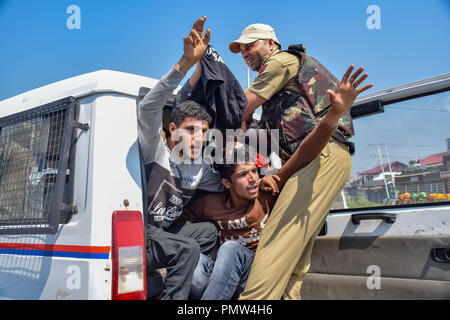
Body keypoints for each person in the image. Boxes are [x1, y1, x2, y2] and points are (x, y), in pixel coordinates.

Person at [185, 65, 372, 300]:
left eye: (254, 171)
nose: (253, 178)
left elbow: (304, 154)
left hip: (256, 272)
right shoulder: (209, 205)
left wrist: (334, 115)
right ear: (226, 183)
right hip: (221, 276)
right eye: (243, 175)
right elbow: (179, 222)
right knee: (191, 258)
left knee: (231, 249)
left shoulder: (269, 192)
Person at [227, 23, 373, 299]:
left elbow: (240, 107)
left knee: (274, 243)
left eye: (250, 45)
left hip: (321, 155)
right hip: (318, 157)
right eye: (242, 49)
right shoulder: (282, 92)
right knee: (295, 258)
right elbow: (265, 134)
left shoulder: (281, 61)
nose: (245, 52)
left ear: (271, 43)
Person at [137, 16, 224, 300]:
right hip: (144, 236)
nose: (197, 138)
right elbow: (148, 109)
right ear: (172, 130)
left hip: (169, 232)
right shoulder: (156, 149)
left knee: (208, 232)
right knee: (185, 251)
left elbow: (226, 187)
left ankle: (168, 276)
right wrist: (184, 65)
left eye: (203, 133)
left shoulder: (201, 168)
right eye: (190, 130)